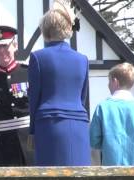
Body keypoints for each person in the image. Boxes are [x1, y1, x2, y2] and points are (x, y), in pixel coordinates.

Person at [28, 6, 91, 165]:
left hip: (49, 125)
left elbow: (34, 98)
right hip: (79, 125)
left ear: (45, 29)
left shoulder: (37, 57)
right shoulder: (82, 59)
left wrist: (32, 131)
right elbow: (82, 97)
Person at [0, 25, 32, 166]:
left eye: (5, 45)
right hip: (4, 147)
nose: (1, 51)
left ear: (15, 45)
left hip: (31, 143)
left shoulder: (29, 73)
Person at [90, 63, 134, 165]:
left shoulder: (102, 107)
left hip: (111, 169)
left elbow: (94, 141)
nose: (108, 85)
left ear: (115, 81)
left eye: (109, 81)